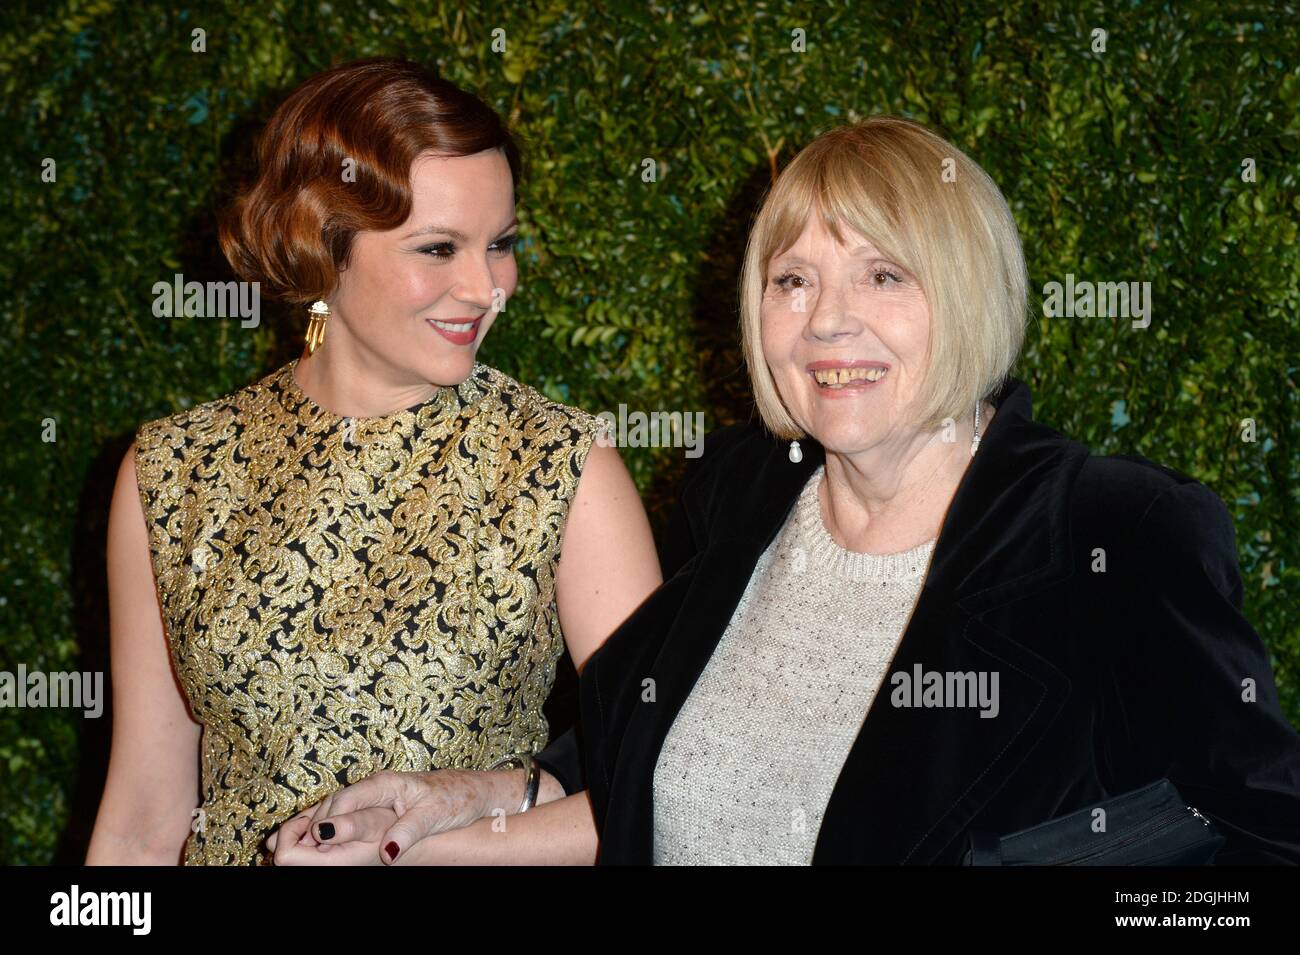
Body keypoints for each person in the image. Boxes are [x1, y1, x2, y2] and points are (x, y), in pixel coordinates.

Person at [301, 115, 1300, 865]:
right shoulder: (740, 495)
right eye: (793, 280)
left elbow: (1259, 837)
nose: (826, 324)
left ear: (966, 294)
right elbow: (647, 748)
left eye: (882, 276)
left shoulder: (1109, 531)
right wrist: (456, 802)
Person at [85, 57, 661, 866]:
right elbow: (142, 821)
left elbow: (660, 789)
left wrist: (413, 851)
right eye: (438, 248)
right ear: (323, 246)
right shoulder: (172, 470)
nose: (484, 286)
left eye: (499, 244)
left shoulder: (560, 465)